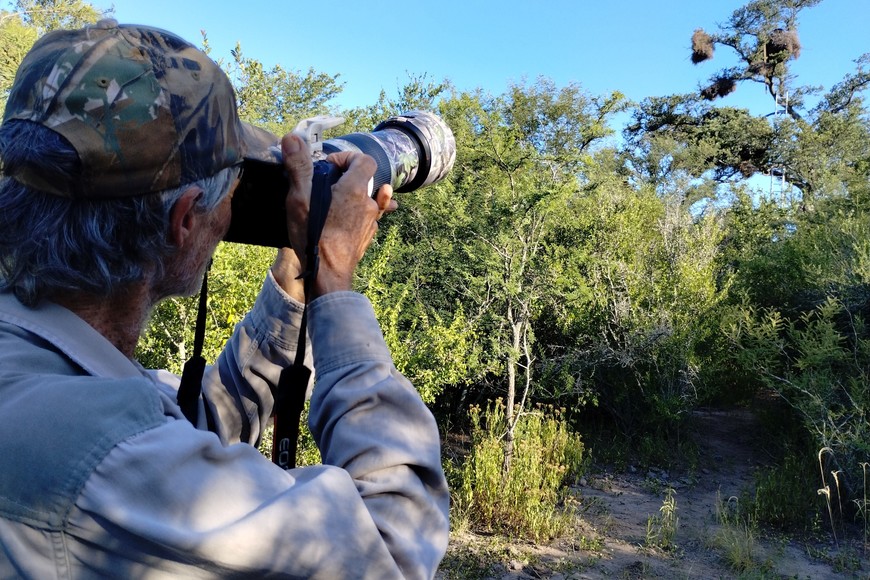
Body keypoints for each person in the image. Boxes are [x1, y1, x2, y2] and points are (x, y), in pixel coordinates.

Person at [0, 19, 449, 579]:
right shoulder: (101, 454)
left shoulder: (44, 372)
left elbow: (186, 428)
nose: (232, 213)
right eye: (233, 190)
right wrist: (335, 284)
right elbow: (393, 549)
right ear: (185, 219)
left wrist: (296, 282)